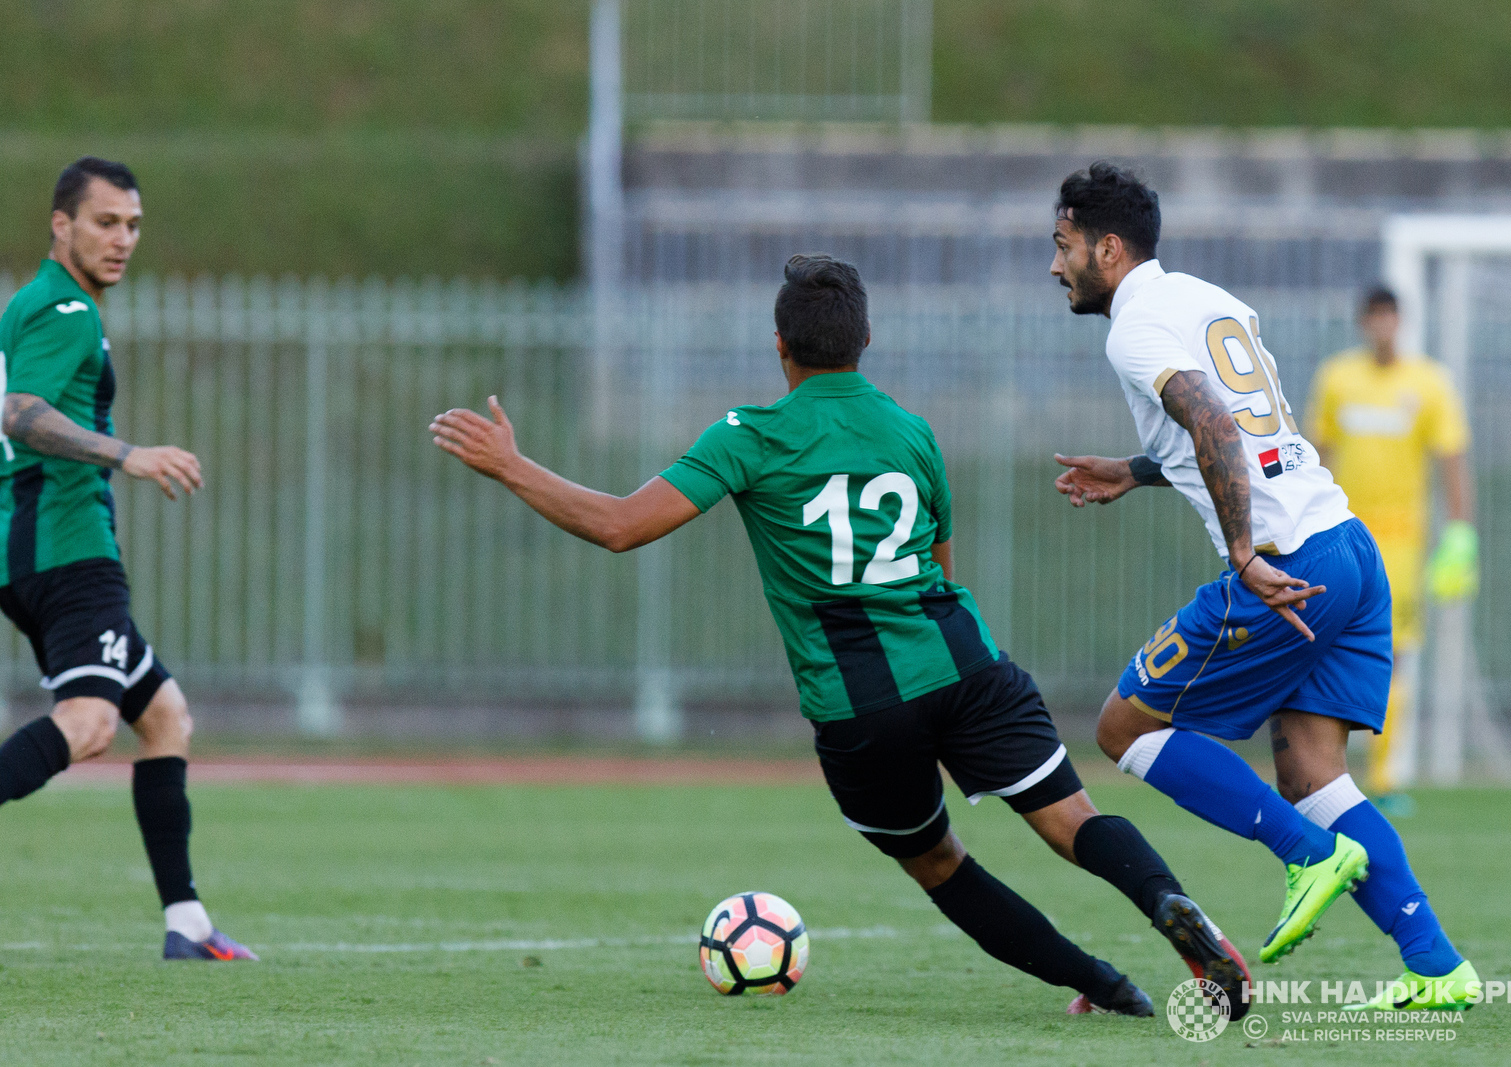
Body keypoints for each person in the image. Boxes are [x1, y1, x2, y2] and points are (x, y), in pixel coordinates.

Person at [431, 253, 1253, 1019]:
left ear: (780, 347)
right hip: (965, 664)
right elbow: (940, 561)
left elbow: (618, 526)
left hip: (860, 705)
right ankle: (1170, 907)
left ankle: (1105, 985)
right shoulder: (911, 430)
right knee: (1072, 817)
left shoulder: (749, 436)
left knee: (941, 864)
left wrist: (511, 464)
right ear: (865, 340)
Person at [1049, 163, 1476, 1010]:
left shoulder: (1132, 329)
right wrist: (1140, 469)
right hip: (1349, 548)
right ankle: (1435, 963)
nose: (1055, 266)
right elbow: (1246, 429)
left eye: (1062, 247)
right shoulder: (1214, 300)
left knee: (1123, 727)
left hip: (1285, 564)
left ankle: (1307, 855)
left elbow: (1212, 420)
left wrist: (1243, 553)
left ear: (1107, 246)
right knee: (1317, 775)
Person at [0, 157, 254, 961]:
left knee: (164, 715)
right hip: (70, 552)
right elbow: (21, 413)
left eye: (133, 224)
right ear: (61, 224)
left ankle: (186, 923)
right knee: (89, 723)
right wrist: (126, 453)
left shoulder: (35, 304)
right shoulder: (66, 307)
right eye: (105, 222)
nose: (122, 239)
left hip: (38, 547)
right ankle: (187, 923)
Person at [1304, 288, 1475, 814]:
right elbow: (1315, 452)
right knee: (1324, 648)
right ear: (1363, 323)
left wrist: (1460, 532)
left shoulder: (1429, 382)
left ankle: (1385, 777)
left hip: (1401, 540)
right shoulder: (1337, 378)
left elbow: (1452, 457)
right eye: (1374, 318)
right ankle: (1326, 770)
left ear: (1401, 322)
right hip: (1342, 532)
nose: (1383, 327)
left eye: (1390, 318)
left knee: (1393, 656)